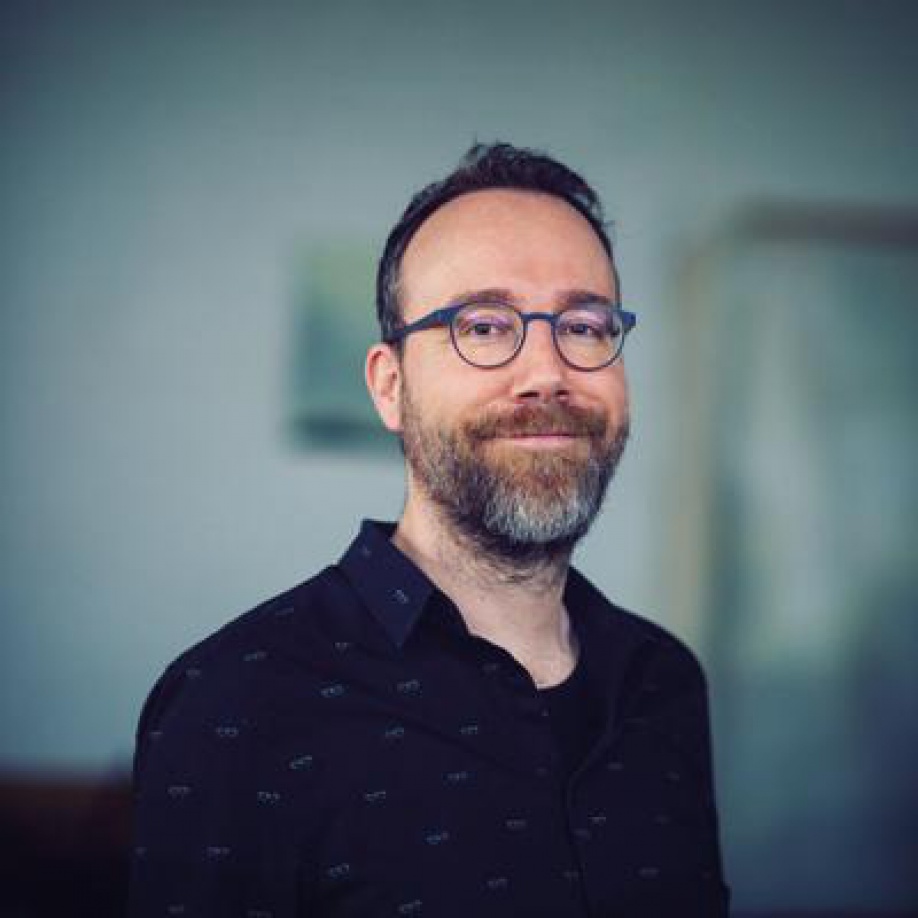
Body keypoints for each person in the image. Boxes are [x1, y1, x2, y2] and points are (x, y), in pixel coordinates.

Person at [129, 142, 730, 917]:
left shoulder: (663, 681)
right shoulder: (235, 702)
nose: (547, 373)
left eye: (585, 326)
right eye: (483, 326)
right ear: (390, 387)